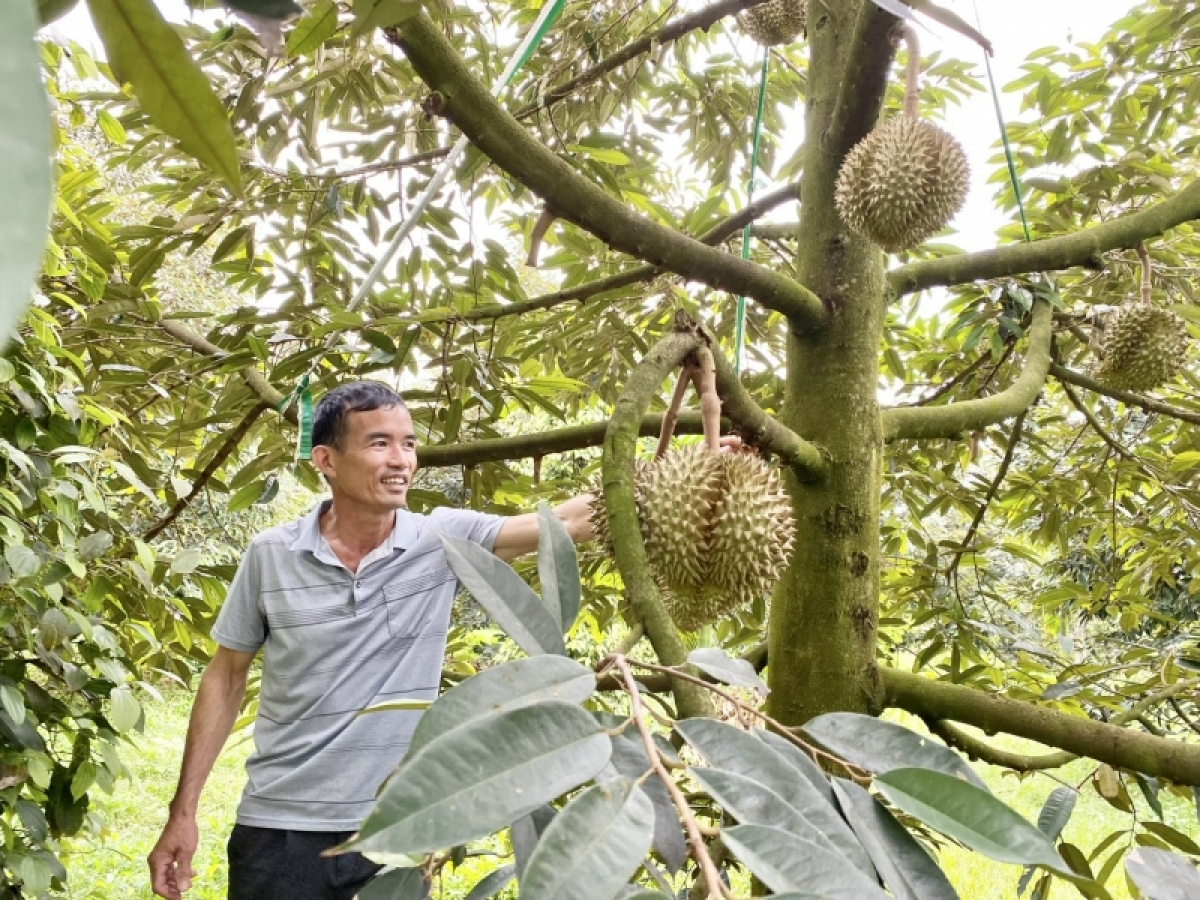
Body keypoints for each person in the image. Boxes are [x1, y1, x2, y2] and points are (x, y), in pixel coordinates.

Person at [147, 381, 594, 900]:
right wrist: (183, 814)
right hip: (279, 830)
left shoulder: (442, 540)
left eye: (408, 443)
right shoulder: (271, 554)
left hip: (395, 829)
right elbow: (225, 677)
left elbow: (567, 523)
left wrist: (691, 461)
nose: (401, 460)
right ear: (327, 460)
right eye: (379, 443)